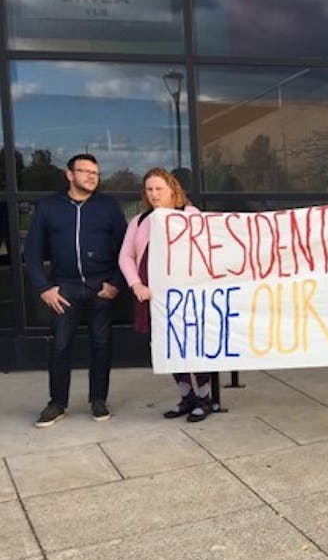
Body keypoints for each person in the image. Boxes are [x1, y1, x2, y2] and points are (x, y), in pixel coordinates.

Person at [24, 153, 127, 427]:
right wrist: (43, 287)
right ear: (69, 175)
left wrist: (116, 283)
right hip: (64, 288)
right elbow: (32, 250)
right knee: (59, 347)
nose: (91, 176)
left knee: (101, 345)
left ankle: (98, 400)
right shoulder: (49, 207)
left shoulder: (108, 206)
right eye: (84, 171)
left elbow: (127, 249)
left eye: (95, 172)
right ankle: (57, 403)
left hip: (101, 287)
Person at [118, 168, 213, 423]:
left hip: (186, 295)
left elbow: (204, 250)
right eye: (149, 189)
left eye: (159, 188)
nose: (154, 194)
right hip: (153, 296)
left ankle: (205, 398)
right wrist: (136, 284)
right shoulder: (139, 221)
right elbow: (126, 256)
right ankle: (187, 397)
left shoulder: (189, 215)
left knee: (194, 346)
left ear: (173, 189)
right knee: (168, 348)